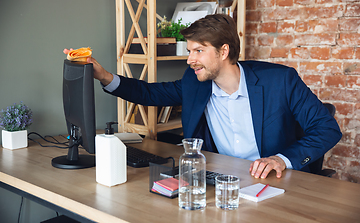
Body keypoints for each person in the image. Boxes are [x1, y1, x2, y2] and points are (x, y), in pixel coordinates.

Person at [63, 14, 342, 179]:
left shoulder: (280, 81)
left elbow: (327, 128)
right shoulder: (195, 83)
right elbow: (150, 93)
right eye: (189, 51)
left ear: (223, 51)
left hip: (274, 181)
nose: (190, 60)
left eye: (198, 51)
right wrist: (103, 76)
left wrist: (281, 159)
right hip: (221, 180)